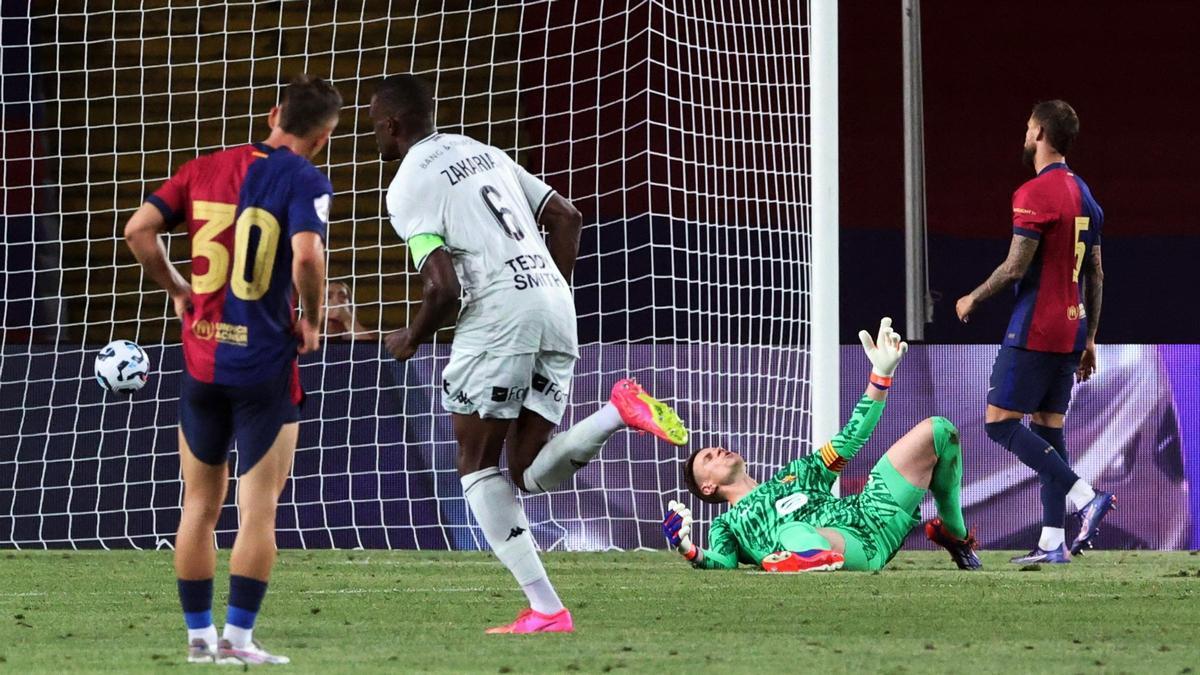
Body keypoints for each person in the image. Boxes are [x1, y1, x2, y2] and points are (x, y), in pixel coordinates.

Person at [370, 74, 688, 634]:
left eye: (374, 122)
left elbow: (441, 287)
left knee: (474, 464)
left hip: (497, 316)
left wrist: (411, 337)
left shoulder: (406, 186)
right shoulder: (483, 151)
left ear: (392, 125)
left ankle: (546, 608)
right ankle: (618, 411)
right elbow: (566, 216)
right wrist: (549, 292)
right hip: (555, 304)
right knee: (527, 470)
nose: (373, 131)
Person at [123, 74, 341, 664]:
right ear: (324, 136)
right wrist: (313, 319)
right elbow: (306, 254)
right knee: (258, 508)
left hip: (201, 361)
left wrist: (176, 288)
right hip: (264, 367)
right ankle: (238, 641)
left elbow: (138, 230)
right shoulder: (304, 179)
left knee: (198, 504)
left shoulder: (202, 168)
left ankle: (197, 640)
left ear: (273, 113)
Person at [663, 318, 981, 573]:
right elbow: (723, 562)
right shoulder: (727, 524)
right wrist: (688, 549)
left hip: (873, 511)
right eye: (708, 458)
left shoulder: (799, 472)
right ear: (707, 487)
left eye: (714, 449)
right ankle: (810, 557)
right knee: (794, 531)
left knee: (939, 431)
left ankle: (956, 535)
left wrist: (880, 375)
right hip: (852, 546)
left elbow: (850, 438)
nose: (718, 450)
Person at [955, 100, 1114, 564]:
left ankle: (1086, 497)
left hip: (1036, 326)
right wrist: (1089, 338)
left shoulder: (1034, 193)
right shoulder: (1086, 195)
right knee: (1048, 431)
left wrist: (972, 298)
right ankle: (1051, 541)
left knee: (999, 424)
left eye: (1028, 128)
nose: (1025, 135)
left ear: (1041, 132)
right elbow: (1097, 274)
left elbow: (1014, 267)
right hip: (1071, 327)